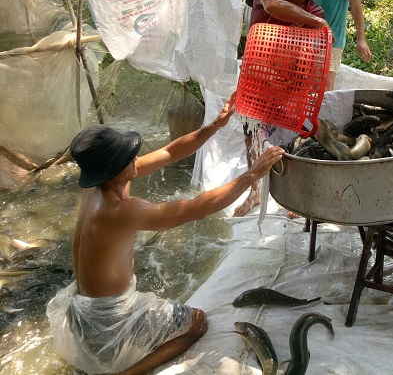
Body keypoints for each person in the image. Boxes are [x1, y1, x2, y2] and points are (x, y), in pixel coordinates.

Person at [46, 94, 285, 375]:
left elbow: (170, 153)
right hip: (109, 324)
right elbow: (196, 209)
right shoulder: (119, 210)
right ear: (114, 168)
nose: (135, 157)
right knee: (197, 323)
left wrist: (214, 127)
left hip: (83, 314)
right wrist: (252, 174)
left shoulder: (97, 186)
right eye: (127, 156)